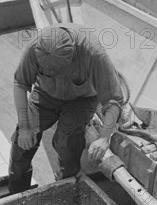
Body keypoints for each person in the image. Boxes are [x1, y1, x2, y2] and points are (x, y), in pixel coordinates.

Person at [8, 23, 124, 194]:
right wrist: (25, 126)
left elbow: (113, 101)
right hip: (45, 94)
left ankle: (65, 188)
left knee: (67, 141)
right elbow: (20, 84)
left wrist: (104, 137)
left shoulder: (93, 54)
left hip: (82, 99)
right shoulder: (34, 47)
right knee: (21, 142)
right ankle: (17, 192)